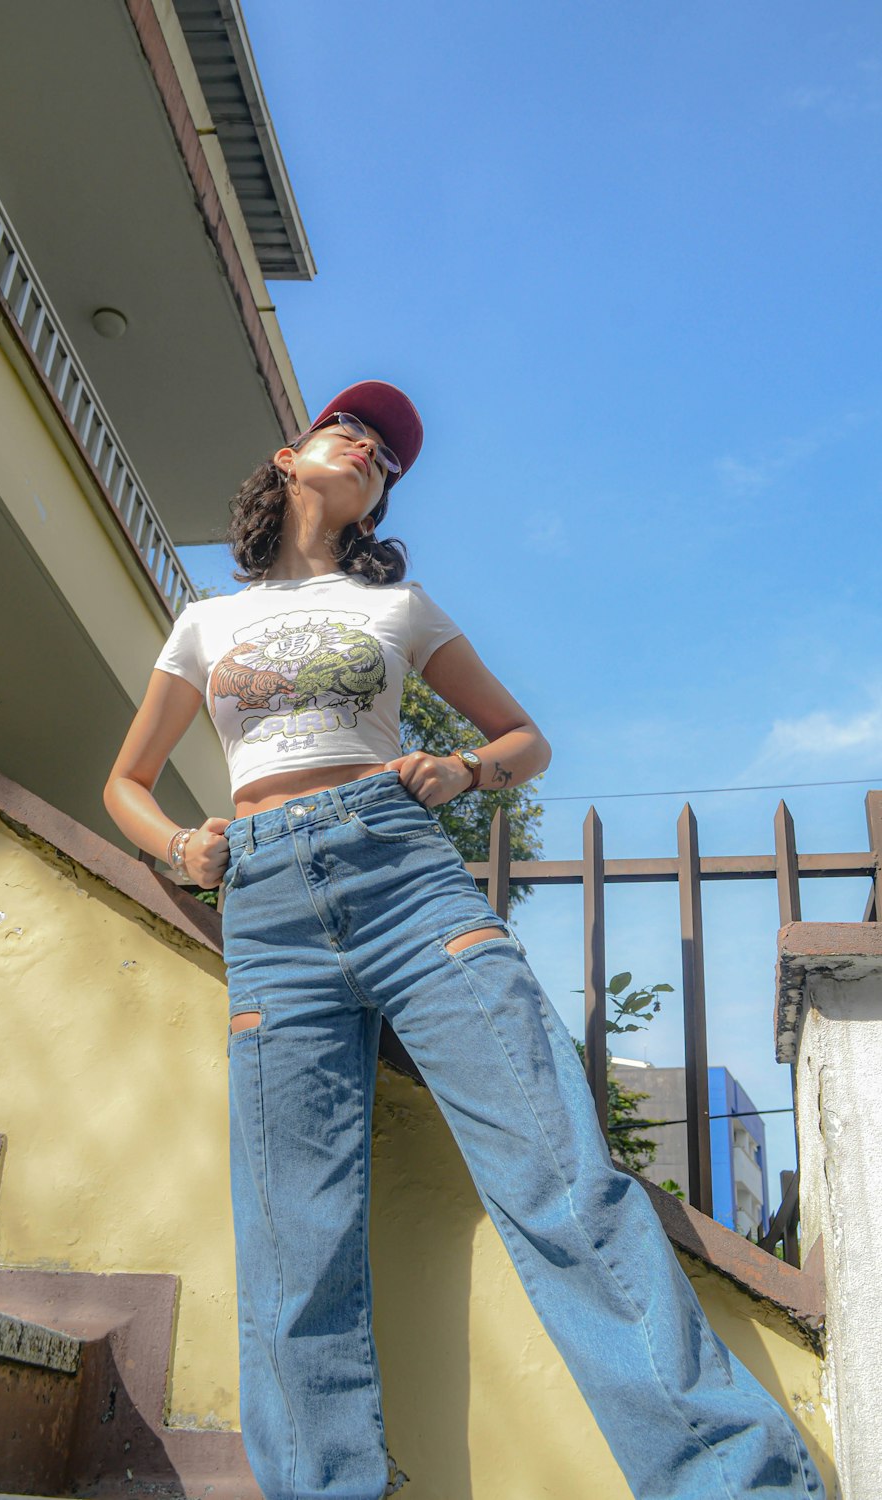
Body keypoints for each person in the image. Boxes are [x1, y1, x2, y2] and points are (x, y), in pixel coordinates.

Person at [104, 381, 825, 1500]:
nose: (371, 447)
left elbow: (523, 736)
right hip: (266, 910)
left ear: (378, 502)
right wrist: (179, 849)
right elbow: (126, 782)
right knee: (293, 1241)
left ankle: (735, 1483)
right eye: (350, 430)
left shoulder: (402, 611)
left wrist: (463, 770)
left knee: (558, 1184)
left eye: (388, 456)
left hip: (406, 882)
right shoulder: (204, 624)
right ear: (288, 457)